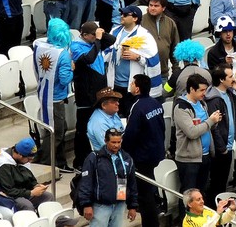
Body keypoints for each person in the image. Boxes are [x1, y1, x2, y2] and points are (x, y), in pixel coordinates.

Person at [174, 74, 222, 210]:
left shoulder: (202, 104)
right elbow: (192, 132)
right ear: (191, 89)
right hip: (189, 160)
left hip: (204, 156)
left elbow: (206, 127)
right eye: (201, 90)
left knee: (201, 193)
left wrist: (214, 122)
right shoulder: (181, 107)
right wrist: (210, 121)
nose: (204, 93)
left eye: (205, 90)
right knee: (188, 196)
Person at [70, 22, 116, 166]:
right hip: (85, 95)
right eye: (93, 35)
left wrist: (101, 34)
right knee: (83, 129)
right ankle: (80, 160)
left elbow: (112, 41)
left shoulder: (95, 42)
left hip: (98, 93)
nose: (96, 37)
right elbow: (88, 59)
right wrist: (97, 40)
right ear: (84, 35)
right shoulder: (76, 46)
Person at [32, 19, 74, 171]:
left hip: (43, 92)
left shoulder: (39, 46)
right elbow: (64, 79)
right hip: (56, 98)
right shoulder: (63, 55)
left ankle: (60, 161)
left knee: (58, 130)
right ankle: (44, 162)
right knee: (56, 133)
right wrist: (72, 70)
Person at [122, 75, 164, 227]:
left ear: (137, 88)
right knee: (149, 190)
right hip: (156, 152)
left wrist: (124, 151)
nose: (130, 85)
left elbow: (131, 133)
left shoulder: (137, 106)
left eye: (132, 83)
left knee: (145, 196)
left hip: (142, 156)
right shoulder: (156, 103)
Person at [105, 5, 161, 115]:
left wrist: (138, 57)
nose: (122, 16)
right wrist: (114, 51)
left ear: (135, 18)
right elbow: (105, 52)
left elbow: (152, 59)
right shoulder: (114, 32)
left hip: (133, 88)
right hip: (115, 85)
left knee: (132, 115)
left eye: (125, 15)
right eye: (121, 14)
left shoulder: (144, 36)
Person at [76, 128, 139, 227]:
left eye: (119, 142)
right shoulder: (94, 158)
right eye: (113, 142)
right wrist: (86, 205)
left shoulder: (126, 158)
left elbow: (132, 184)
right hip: (101, 206)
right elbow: (86, 183)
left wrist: (133, 206)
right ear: (105, 141)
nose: (116, 145)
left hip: (120, 204)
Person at [204, 64, 236, 202]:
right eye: (230, 76)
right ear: (222, 80)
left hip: (228, 146)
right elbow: (214, 127)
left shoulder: (230, 93)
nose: (233, 79)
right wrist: (221, 148)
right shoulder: (214, 99)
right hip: (220, 149)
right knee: (217, 184)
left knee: (223, 182)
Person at [0, 138, 54, 211]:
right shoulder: (3, 165)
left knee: (48, 196)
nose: (30, 161)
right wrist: (31, 193)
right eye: (29, 159)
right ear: (20, 155)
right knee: (26, 205)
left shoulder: (21, 160)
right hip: (6, 196)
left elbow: (28, 178)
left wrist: (35, 185)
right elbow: (9, 191)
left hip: (22, 191)